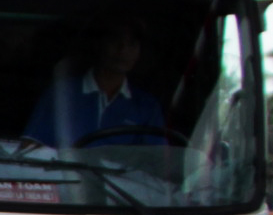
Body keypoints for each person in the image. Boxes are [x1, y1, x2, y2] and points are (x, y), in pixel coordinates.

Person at [25, 20, 172, 149]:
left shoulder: (147, 107)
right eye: (115, 41)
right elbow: (31, 149)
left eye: (131, 44)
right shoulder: (62, 95)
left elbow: (155, 165)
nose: (123, 50)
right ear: (98, 44)